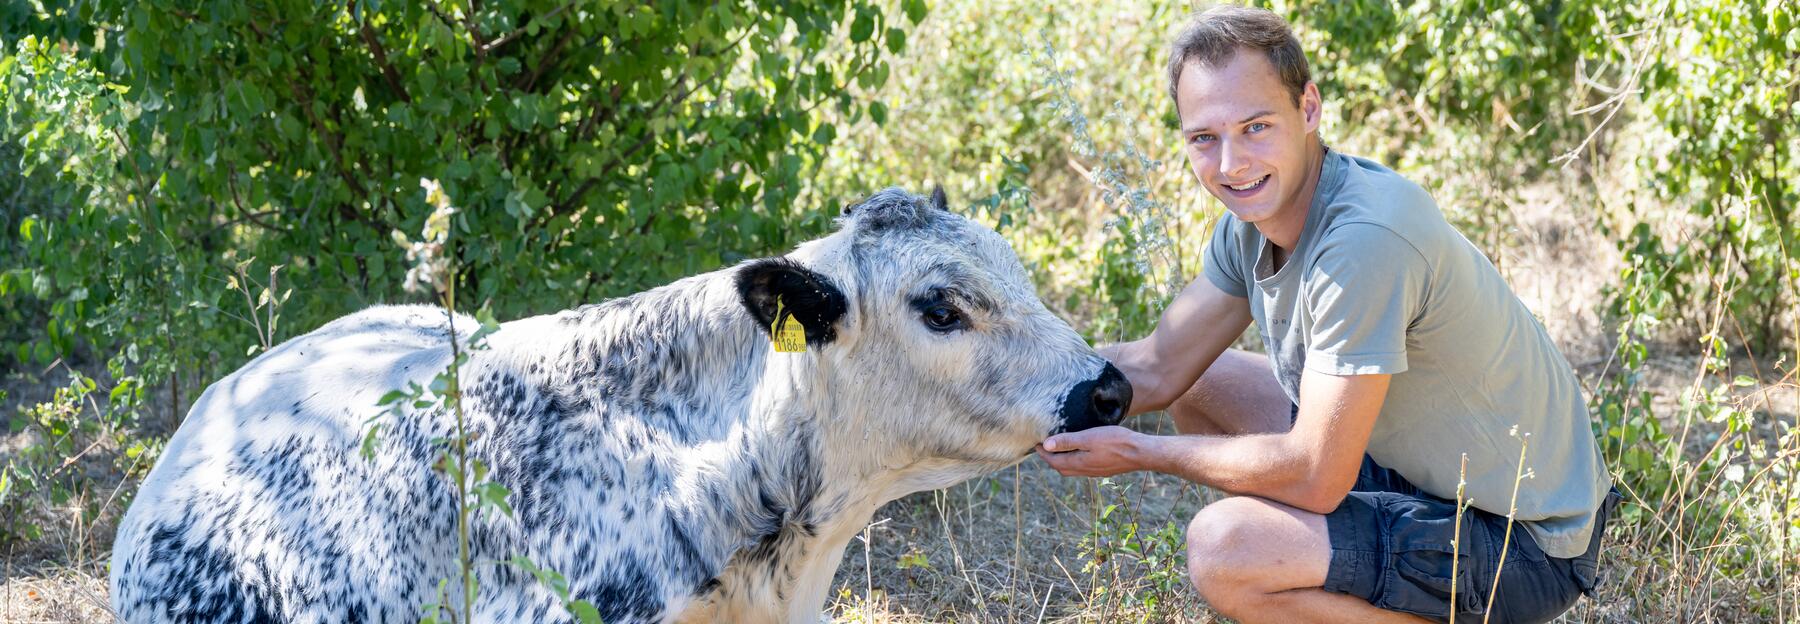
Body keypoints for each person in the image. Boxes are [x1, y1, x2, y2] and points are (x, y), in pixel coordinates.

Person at [1035, 6, 1617, 623]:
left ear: (1308, 108)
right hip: (1413, 477)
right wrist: (1016, 381)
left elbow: (1316, 476)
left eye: (1256, 126)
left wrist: (1141, 452)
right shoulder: (1250, 225)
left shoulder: (1364, 239)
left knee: (1225, 549)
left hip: (1524, 540)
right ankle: (1334, 565)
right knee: (1205, 382)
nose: (1230, 164)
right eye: (1204, 138)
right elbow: (1157, 367)